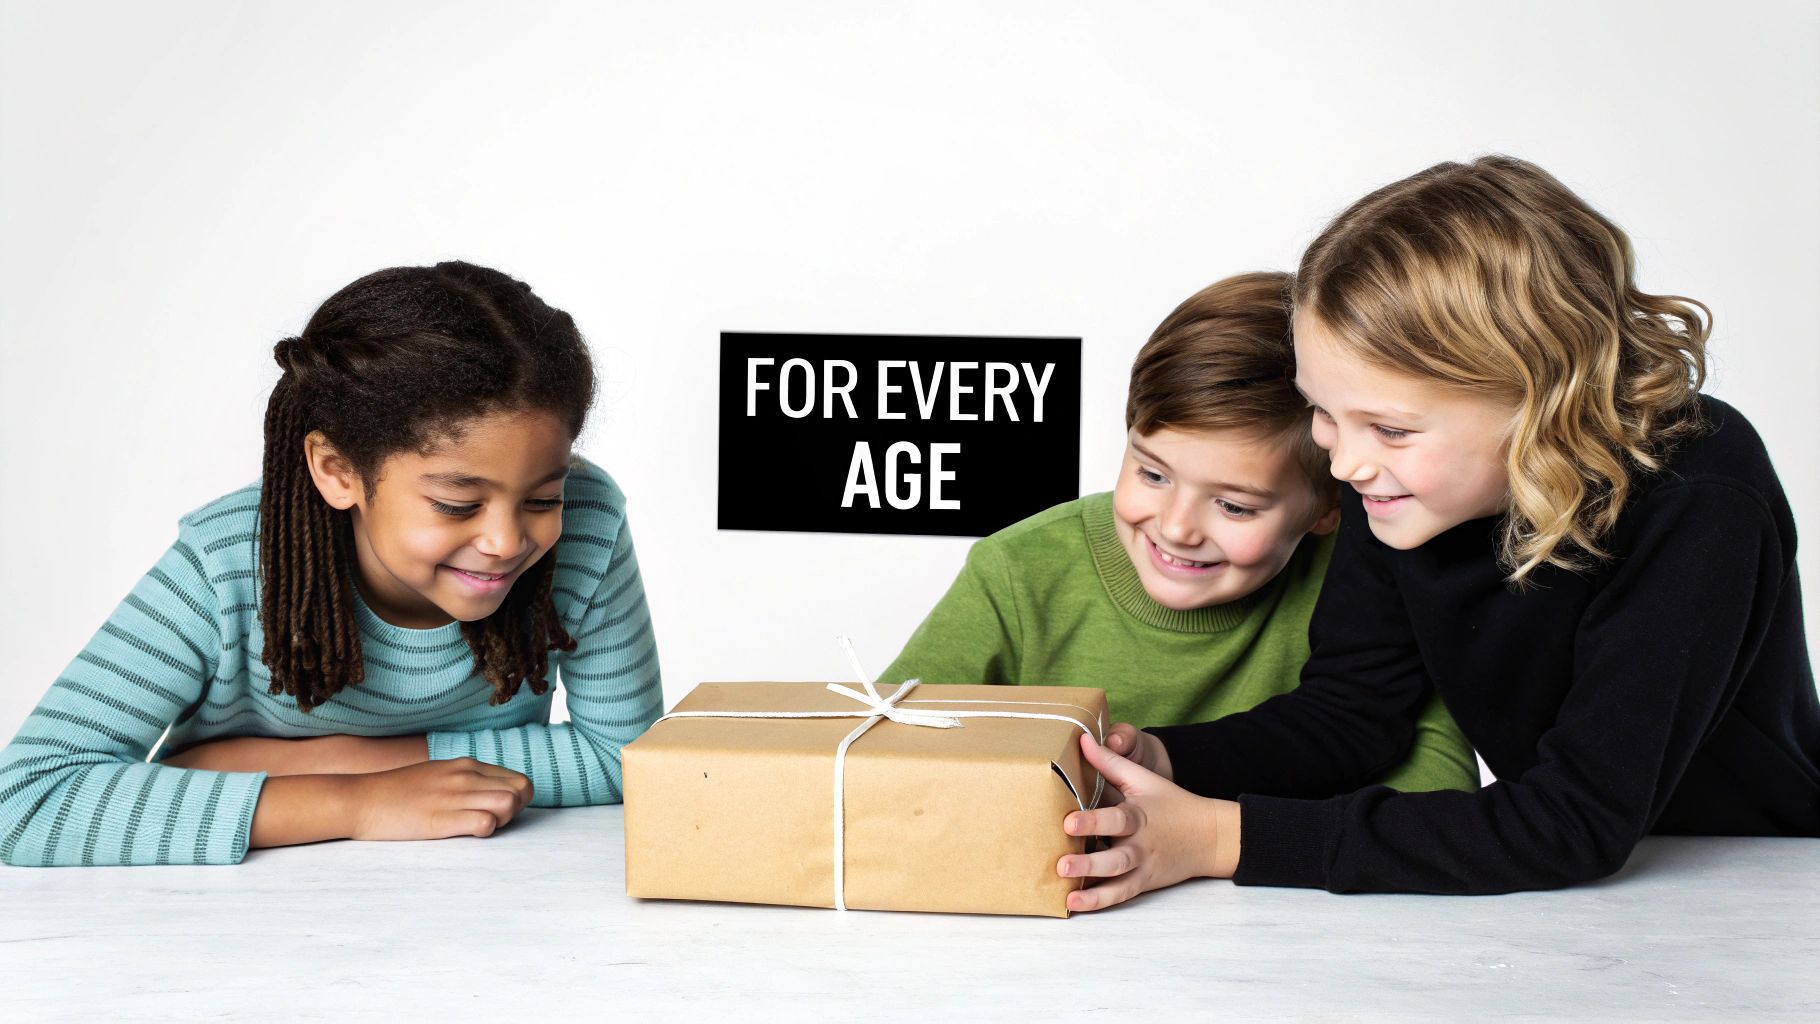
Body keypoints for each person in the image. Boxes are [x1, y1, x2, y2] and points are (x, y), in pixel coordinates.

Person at [1059, 156, 1819, 905]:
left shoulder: (1702, 498)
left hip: (1760, 880)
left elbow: (1574, 821)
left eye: (1390, 428)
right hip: (1572, 899)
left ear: (1541, 397)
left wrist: (1223, 838)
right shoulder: (1394, 485)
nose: (1344, 464)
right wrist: (1161, 757)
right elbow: (1351, 716)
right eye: (1323, 411)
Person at [0, 262, 663, 865]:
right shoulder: (225, 563)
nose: (505, 540)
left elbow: (628, 758)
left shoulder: (589, 520)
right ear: (337, 471)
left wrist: (295, 763)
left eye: (543, 499)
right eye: (456, 504)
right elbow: (26, 798)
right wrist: (358, 803)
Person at [881, 271, 1477, 794]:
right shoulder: (1019, 570)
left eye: (1234, 506)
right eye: (1152, 474)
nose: (1175, 527)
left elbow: (1434, 789)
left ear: (1331, 506)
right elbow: (880, 747)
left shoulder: (1370, 587)